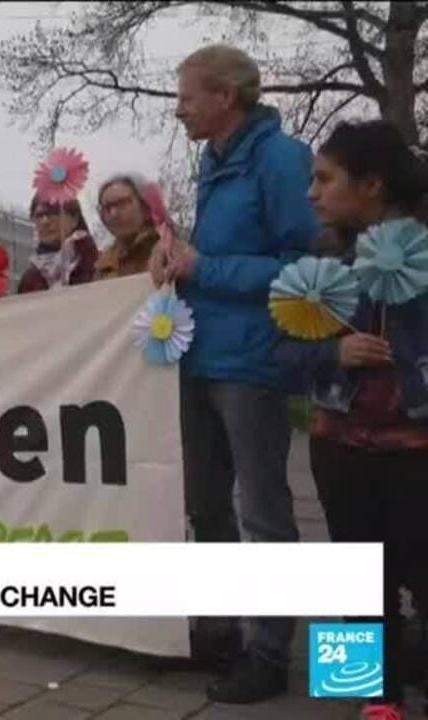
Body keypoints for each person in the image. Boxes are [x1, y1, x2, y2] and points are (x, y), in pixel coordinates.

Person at [149, 44, 318, 704]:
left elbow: (307, 268)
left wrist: (206, 268)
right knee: (206, 505)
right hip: (200, 357)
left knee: (264, 511)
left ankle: (269, 651)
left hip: (252, 363)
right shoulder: (211, 163)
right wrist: (173, 261)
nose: (179, 110)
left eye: (187, 97)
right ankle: (221, 631)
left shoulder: (282, 159)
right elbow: (211, 256)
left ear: (226, 97)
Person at [277, 120, 428, 720]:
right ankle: (370, 696)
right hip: (337, 444)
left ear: (371, 185)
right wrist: (330, 352)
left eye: (324, 179)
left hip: (417, 449)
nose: (311, 192)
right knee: (354, 577)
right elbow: (280, 354)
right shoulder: (317, 262)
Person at [95, 174, 168, 280]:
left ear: (145, 208)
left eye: (122, 203)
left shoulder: (169, 251)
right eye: (107, 207)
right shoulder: (103, 266)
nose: (113, 213)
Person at [18, 196, 98, 293]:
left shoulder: (98, 264)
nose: (45, 221)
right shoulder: (30, 279)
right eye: (39, 215)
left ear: (74, 219)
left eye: (54, 213)